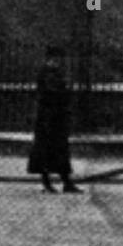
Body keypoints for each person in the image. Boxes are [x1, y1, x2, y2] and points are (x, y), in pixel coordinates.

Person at [27, 46, 81, 194]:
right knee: (46, 152)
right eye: (55, 59)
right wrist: (65, 92)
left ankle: (66, 182)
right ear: (49, 59)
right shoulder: (46, 74)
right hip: (48, 119)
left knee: (60, 152)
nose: (57, 62)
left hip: (56, 119)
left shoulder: (54, 73)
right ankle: (47, 183)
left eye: (58, 59)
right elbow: (52, 94)